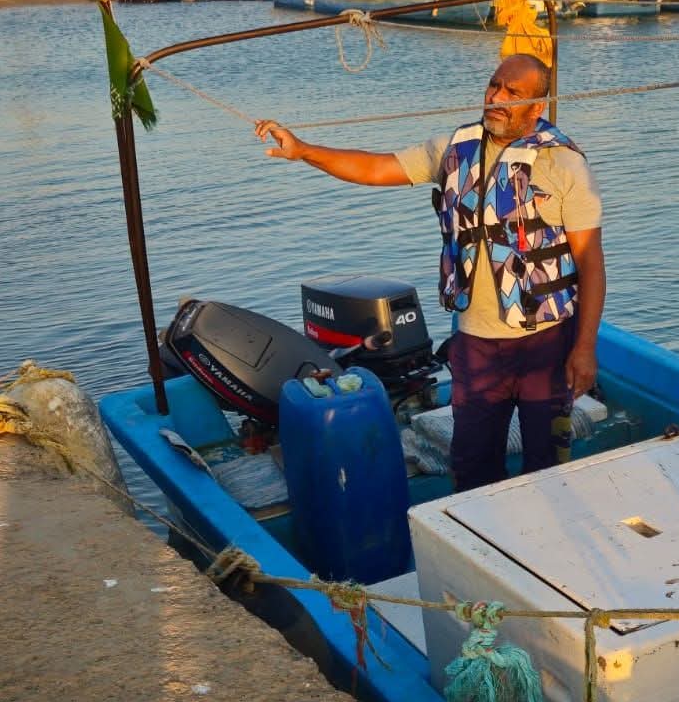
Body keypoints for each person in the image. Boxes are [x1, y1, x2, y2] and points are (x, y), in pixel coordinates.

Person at [255, 53, 605, 493]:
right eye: (493, 85)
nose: (496, 97)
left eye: (512, 93)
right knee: (473, 467)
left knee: (547, 467)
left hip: (547, 343)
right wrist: (304, 150)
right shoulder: (454, 149)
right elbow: (376, 168)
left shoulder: (565, 164)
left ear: (537, 107)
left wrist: (585, 347)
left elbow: (591, 263)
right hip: (476, 342)